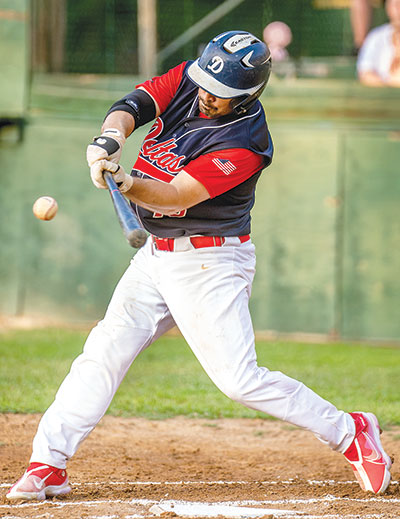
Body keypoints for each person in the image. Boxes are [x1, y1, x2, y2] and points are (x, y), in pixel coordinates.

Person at [6, 30, 392, 501]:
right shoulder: (196, 76)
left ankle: (351, 432)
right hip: (155, 256)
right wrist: (109, 138)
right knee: (104, 350)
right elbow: (138, 102)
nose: (208, 97)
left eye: (222, 95)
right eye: (207, 86)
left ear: (250, 93)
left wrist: (126, 180)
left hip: (211, 262)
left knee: (239, 380)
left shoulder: (246, 141)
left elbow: (174, 196)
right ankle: (49, 462)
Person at [357, 0, 400, 86]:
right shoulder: (376, 37)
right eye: (396, 5)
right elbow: (365, 73)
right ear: (388, 7)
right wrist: (389, 84)